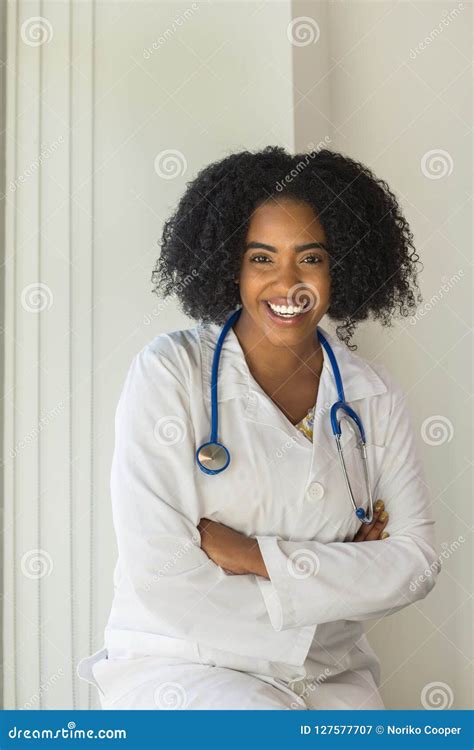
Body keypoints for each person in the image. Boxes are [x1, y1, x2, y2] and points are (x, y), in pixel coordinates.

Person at [77, 146, 440, 710]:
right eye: (262, 258)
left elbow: (415, 564)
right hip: (185, 665)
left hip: (330, 676)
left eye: (311, 258)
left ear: (341, 264)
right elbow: (161, 573)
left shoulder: (371, 392)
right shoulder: (171, 371)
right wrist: (343, 573)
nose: (288, 282)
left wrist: (253, 556)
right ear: (230, 265)